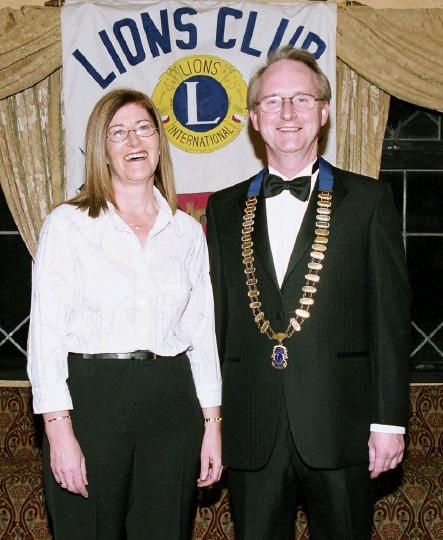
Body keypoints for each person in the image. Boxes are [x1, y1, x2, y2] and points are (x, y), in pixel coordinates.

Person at [206, 46, 410, 540]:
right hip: (251, 427)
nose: (288, 113)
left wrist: (390, 422)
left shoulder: (368, 201)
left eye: (301, 99)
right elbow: (215, 323)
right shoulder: (224, 208)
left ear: (324, 111)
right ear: (254, 119)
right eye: (273, 102)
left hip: (341, 426)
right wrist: (208, 420)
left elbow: (389, 319)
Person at [27, 88, 222, 540]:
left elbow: (202, 335)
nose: (134, 141)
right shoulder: (68, 225)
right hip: (92, 403)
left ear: (159, 140)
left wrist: (212, 426)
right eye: (118, 132)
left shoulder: (187, 232)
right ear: (102, 148)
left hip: (172, 406)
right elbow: (47, 336)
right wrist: (59, 433)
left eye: (143, 128)